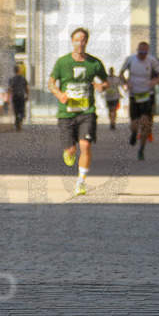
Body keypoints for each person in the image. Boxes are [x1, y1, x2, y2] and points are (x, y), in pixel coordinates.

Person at [48, 27, 108, 196]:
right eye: (76, 40)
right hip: (66, 113)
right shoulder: (62, 63)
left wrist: (101, 86)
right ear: (72, 41)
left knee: (86, 145)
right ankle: (69, 151)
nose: (80, 43)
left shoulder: (94, 63)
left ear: (86, 42)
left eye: (83, 40)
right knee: (71, 150)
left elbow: (106, 82)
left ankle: (81, 182)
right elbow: (51, 82)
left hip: (86, 112)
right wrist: (59, 94)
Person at [120, 41, 159, 161]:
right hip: (134, 95)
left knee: (145, 123)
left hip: (147, 95)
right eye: (140, 52)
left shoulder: (152, 61)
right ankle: (134, 133)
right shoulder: (130, 60)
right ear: (137, 51)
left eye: (144, 53)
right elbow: (120, 74)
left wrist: (155, 81)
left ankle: (141, 149)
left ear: (147, 52)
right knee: (134, 124)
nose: (142, 55)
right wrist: (126, 83)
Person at [8, 64, 29, 131]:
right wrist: (27, 95)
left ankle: (17, 123)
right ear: (19, 70)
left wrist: (9, 97)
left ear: (14, 71)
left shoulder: (12, 79)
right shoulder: (23, 78)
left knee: (16, 111)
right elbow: (26, 88)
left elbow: (10, 89)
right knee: (22, 110)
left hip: (15, 96)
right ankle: (19, 121)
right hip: (21, 96)